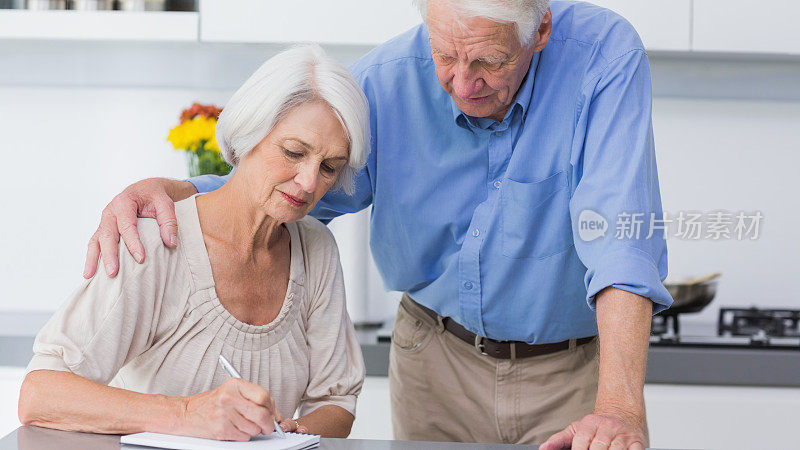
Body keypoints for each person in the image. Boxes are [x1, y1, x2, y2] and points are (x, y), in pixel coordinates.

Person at [82, 1, 674, 448]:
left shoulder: (602, 57)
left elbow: (620, 233)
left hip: (570, 372)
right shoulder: (385, 80)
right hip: (436, 362)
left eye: (490, 62)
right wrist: (178, 190)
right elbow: (300, 191)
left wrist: (620, 407)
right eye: (445, 54)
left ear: (539, 30)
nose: (463, 84)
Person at [18, 44, 368, 440]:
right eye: (293, 152)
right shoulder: (155, 242)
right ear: (248, 134)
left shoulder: (317, 249)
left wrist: (294, 432)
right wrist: (186, 414)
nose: (309, 182)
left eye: (328, 168)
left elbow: (335, 402)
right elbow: (40, 394)